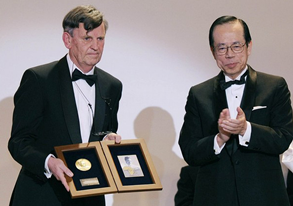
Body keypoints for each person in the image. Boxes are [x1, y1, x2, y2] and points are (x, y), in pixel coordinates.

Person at [8, 5, 122, 206]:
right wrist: (49, 162)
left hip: (91, 196)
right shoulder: (39, 80)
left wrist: (107, 138)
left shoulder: (112, 86)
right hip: (43, 195)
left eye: (100, 39)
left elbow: (102, 131)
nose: (96, 46)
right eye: (87, 38)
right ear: (67, 40)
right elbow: (19, 142)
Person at [179, 15, 293, 206]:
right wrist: (219, 138)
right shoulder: (199, 94)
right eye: (221, 47)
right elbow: (190, 151)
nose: (229, 54)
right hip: (215, 197)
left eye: (236, 46)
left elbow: (283, 138)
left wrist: (245, 129)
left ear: (249, 46)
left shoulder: (274, 86)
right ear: (213, 51)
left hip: (263, 196)